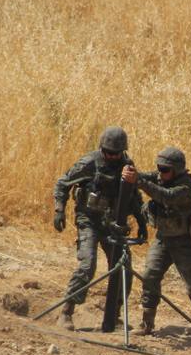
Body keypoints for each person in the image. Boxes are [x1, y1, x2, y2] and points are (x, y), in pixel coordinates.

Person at [52, 126, 145, 330]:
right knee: (87, 265)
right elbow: (62, 183)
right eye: (108, 152)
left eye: (116, 153)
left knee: (124, 268)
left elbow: (135, 198)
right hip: (89, 220)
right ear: (102, 149)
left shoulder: (127, 166)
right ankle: (66, 311)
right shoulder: (90, 163)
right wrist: (59, 209)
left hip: (112, 224)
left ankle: (114, 313)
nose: (112, 156)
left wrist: (141, 221)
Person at [123, 146, 191, 341]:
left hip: (186, 243)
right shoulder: (161, 176)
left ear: (178, 170)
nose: (161, 172)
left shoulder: (187, 188)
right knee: (150, 276)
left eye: (165, 169)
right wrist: (130, 172)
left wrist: (137, 181)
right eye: (159, 168)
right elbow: (147, 178)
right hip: (164, 239)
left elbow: (166, 196)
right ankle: (147, 324)